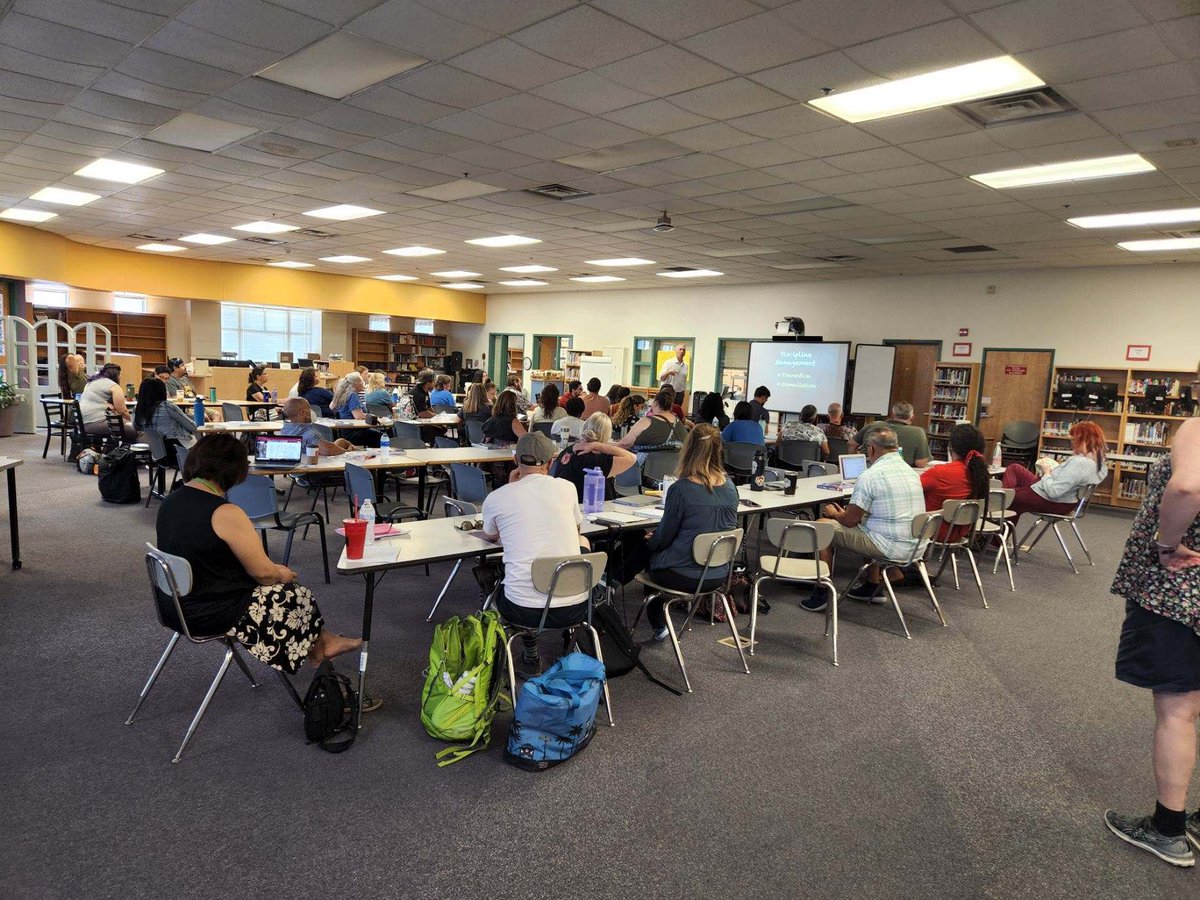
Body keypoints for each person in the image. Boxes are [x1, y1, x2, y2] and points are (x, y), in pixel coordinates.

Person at [156, 433, 361, 674]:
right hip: (206, 612)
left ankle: (322, 644)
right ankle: (321, 648)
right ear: (235, 471)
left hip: (172, 605)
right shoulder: (224, 512)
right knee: (291, 592)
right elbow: (263, 574)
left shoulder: (171, 500)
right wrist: (280, 573)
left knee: (288, 592)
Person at [1105, 407, 1200, 868]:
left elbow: (1186, 486)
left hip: (1183, 591)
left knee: (1178, 709)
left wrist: (1168, 544)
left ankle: (1167, 829)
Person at [482, 432, 590, 669]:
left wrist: (511, 488)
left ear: (515, 460)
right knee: (582, 543)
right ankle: (572, 647)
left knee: (489, 576)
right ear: (550, 462)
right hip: (577, 608)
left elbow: (491, 535)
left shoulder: (497, 497)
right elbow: (576, 527)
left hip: (524, 610)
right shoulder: (567, 488)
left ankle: (530, 653)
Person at [807, 428, 927, 609]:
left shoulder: (870, 476)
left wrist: (834, 514)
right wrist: (847, 515)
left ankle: (822, 593)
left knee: (821, 527)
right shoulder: (911, 472)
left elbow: (849, 521)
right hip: (916, 545)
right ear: (896, 447)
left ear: (870, 449)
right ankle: (872, 587)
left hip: (890, 546)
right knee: (868, 522)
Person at [643, 424, 738, 642]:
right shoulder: (731, 488)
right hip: (717, 573)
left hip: (683, 574)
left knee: (646, 552)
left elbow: (664, 537)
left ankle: (655, 622)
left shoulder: (681, 489)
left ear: (688, 449)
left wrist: (652, 541)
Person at [1002, 421, 1108, 521]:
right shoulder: (1099, 463)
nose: (1072, 442)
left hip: (1052, 501)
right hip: (1063, 499)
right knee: (1015, 468)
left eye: (1074, 439)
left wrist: (1047, 473)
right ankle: (1006, 495)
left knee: (1008, 499)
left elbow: (1054, 492)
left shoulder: (1079, 463)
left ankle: (997, 536)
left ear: (1083, 441)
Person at [920, 423, 989, 541]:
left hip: (931, 529)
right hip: (960, 531)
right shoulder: (980, 473)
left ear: (951, 447)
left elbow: (912, 487)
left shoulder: (939, 472)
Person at [551, 412, 637, 500]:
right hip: (593, 508)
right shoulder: (599, 460)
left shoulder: (568, 451)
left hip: (565, 503)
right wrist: (598, 445)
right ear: (607, 434)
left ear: (584, 426)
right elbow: (632, 458)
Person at [852, 401, 930, 468]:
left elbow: (851, 444)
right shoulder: (918, 432)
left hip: (866, 468)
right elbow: (920, 463)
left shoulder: (873, 425)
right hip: (899, 472)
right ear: (912, 417)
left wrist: (854, 465)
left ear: (892, 414)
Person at [133, 376, 197, 448]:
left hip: (152, 448)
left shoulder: (137, 409)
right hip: (175, 448)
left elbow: (135, 429)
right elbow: (192, 427)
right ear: (162, 391)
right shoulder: (167, 406)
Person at [619, 388, 687, 452]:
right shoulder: (679, 423)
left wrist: (610, 446)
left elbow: (624, 444)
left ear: (656, 403)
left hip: (646, 463)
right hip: (675, 463)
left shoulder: (646, 422)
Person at [279, 397, 353, 455]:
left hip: (297, 465)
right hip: (312, 469)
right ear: (302, 412)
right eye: (309, 409)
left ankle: (352, 446)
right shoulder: (310, 433)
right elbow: (328, 450)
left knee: (341, 441)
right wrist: (346, 451)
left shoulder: (285, 430)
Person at [80, 362, 134, 440]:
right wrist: (131, 422)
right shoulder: (113, 386)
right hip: (95, 422)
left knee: (116, 422)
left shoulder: (90, 382)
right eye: (120, 375)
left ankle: (111, 450)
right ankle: (127, 450)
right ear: (116, 375)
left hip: (82, 423)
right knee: (132, 429)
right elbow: (122, 411)